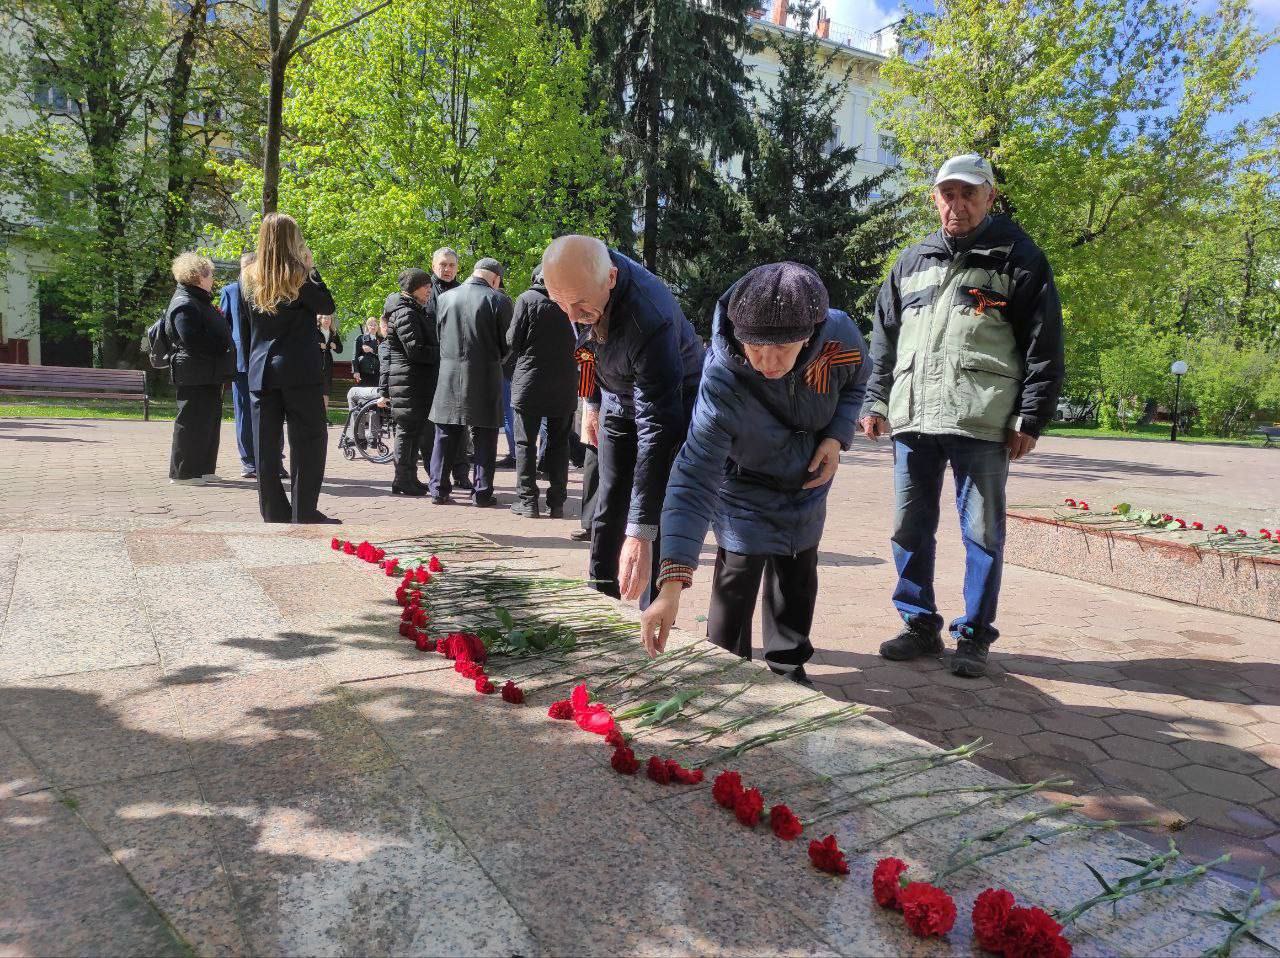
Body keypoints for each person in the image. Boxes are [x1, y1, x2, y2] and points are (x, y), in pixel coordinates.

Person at [860, 153, 1064, 678]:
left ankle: (973, 634)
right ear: (935, 198)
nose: (957, 205)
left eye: (968, 193)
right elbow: (884, 339)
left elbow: (1043, 344)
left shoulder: (1020, 258)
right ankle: (918, 624)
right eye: (947, 194)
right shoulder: (911, 261)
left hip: (982, 417)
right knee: (908, 528)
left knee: (982, 534)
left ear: (989, 196)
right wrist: (875, 400)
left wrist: (1031, 416)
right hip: (914, 418)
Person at [638, 263, 869, 686]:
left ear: (810, 334)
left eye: (781, 348)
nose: (766, 363)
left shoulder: (839, 336)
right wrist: (669, 587)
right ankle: (726, 669)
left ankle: (788, 668)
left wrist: (837, 436)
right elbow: (693, 476)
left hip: (807, 481)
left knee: (797, 572)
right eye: (755, 348)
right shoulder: (723, 379)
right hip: (744, 483)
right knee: (737, 575)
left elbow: (856, 382)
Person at [541, 235, 703, 605]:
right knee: (610, 495)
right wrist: (591, 403)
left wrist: (640, 532)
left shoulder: (650, 318)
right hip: (615, 396)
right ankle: (600, 597)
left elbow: (656, 428)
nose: (570, 315)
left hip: (671, 398)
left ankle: (654, 608)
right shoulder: (572, 283)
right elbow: (587, 348)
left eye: (579, 304)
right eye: (560, 303)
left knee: (654, 508)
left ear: (611, 278)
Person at [239, 212, 339, 524]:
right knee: (309, 441)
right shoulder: (299, 275)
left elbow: (246, 327)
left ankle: (273, 511)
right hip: (299, 370)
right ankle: (304, 511)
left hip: (261, 370)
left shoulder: (248, 277)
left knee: (265, 446)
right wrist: (312, 268)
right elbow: (327, 306)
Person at [428, 258, 512, 506]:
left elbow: (439, 335)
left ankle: (438, 489)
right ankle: (482, 492)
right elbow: (507, 343)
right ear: (495, 279)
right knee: (485, 435)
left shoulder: (445, 298)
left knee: (445, 434)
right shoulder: (499, 300)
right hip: (485, 374)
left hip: (449, 373)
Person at [507, 266, 576, 518]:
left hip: (530, 382)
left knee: (525, 443)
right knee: (559, 444)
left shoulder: (527, 299)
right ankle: (556, 503)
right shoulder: (572, 302)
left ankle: (528, 501)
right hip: (564, 383)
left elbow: (513, 340)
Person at [166, 252, 235, 485]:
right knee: (191, 420)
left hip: (208, 370)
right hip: (193, 371)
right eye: (210, 274)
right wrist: (219, 345)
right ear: (198, 276)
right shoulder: (184, 302)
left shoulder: (199, 300)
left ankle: (204, 469)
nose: (213, 278)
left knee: (209, 420)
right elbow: (190, 338)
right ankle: (183, 473)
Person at [384, 269, 439, 495]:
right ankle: (402, 479)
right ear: (414, 288)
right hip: (408, 381)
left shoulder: (413, 311)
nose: (429, 290)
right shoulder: (406, 314)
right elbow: (415, 350)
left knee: (414, 431)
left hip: (413, 381)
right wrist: (442, 352)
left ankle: (409, 477)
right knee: (407, 431)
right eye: (426, 286)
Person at [220, 252, 258, 478]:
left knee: (270, 412)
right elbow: (224, 326)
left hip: (264, 361)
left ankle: (274, 459)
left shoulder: (267, 290)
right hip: (242, 362)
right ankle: (249, 461)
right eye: (246, 266)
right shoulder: (230, 291)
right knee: (244, 412)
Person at [345, 315, 388, 449]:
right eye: (370, 324)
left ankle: (373, 438)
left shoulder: (381, 340)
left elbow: (384, 356)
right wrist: (356, 371)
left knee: (375, 406)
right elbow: (354, 356)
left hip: (377, 376)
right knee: (361, 405)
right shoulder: (361, 339)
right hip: (364, 375)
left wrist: (372, 350)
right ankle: (360, 437)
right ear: (367, 326)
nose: (373, 327)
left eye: (375, 324)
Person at [318, 314, 343, 397]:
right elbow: (307, 344)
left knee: (326, 390)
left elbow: (340, 349)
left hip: (327, 364)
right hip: (315, 362)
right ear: (320, 319)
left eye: (329, 318)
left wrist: (335, 347)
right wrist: (318, 345)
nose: (327, 320)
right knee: (315, 388)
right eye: (325, 318)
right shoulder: (315, 331)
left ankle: (325, 405)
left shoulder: (333, 333)